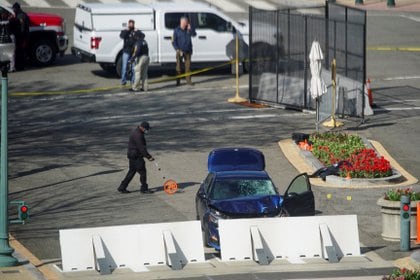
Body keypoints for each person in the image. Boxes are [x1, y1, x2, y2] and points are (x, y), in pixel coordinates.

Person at [118, 121, 155, 194]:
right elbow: (141, 148)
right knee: (143, 172)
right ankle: (144, 189)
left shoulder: (136, 131)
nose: (147, 130)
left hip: (132, 155)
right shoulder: (138, 135)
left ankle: (122, 187)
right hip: (136, 156)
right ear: (142, 128)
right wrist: (148, 157)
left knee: (131, 172)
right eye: (146, 129)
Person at [172, 16, 196, 86]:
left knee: (188, 67)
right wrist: (177, 49)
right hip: (180, 51)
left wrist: (190, 29)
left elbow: (194, 34)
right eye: (185, 22)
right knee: (178, 67)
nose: (186, 23)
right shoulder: (176, 30)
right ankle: (178, 81)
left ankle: (188, 81)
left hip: (188, 50)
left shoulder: (188, 29)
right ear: (182, 22)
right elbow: (173, 41)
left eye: (187, 22)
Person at [119, 20, 139, 86]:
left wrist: (138, 31)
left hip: (133, 52)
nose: (131, 25)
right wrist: (127, 30)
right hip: (126, 51)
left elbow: (142, 36)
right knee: (124, 66)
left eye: (132, 24)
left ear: (134, 24)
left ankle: (133, 80)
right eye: (130, 24)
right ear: (128, 24)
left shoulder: (135, 31)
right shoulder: (125, 31)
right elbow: (121, 36)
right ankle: (123, 80)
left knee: (134, 67)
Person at [11, 3, 29, 71]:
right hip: (21, 37)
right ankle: (20, 66)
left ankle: (20, 67)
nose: (13, 10)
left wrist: (23, 39)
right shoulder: (20, 14)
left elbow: (23, 28)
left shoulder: (21, 16)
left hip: (22, 37)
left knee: (20, 52)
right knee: (19, 52)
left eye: (14, 9)